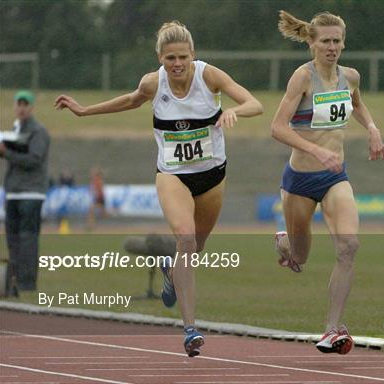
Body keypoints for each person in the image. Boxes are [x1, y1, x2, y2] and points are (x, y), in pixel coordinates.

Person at [55, 20, 263, 357]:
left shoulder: (209, 76)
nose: (177, 64)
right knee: (185, 237)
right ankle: (191, 329)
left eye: (182, 57)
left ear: (193, 55)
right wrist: (83, 111)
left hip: (212, 176)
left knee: (195, 251)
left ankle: (170, 271)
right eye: (170, 59)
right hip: (172, 175)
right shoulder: (153, 83)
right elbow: (130, 100)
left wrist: (234, 112)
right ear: (160, 59)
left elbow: (255, 103)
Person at [270, 11, 384, 355]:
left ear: (343, 42)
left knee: (349, 247)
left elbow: (358, 106)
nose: (332, 47)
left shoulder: (350, 76)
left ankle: (332, 329)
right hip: (300, 181)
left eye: (337, 41)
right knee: (300, 256)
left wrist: (373, 128)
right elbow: (277, 127)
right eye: (325, 41)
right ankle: (285, 244)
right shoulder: (302, 78)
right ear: (312, 43)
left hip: (336, 177)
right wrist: (315, 151)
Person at [0, 90, 51, 295]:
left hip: (31, 192)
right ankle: (12, 280)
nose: (21, 108)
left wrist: (6, 152)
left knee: (27, 238)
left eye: (25, 104)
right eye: (18, 104)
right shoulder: (15, 128)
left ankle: (27, 283)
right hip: (13, 191)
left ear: (31, 108)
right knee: (12, 238)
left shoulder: (38, 131)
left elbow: (34, 159)